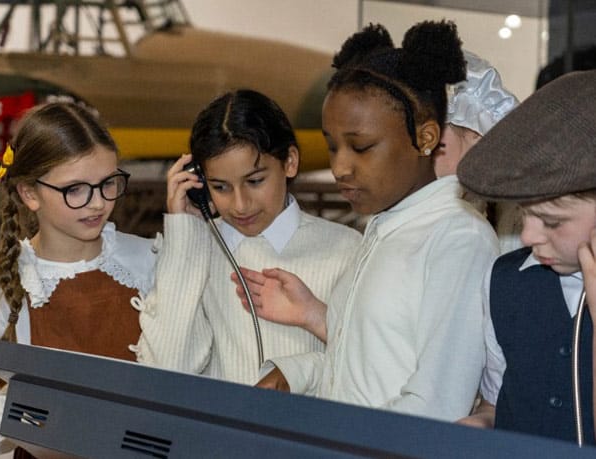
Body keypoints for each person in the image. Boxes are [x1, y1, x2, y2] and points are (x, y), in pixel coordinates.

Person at [233, 21, 499, 422]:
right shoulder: (384, 227)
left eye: (361, 148)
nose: (340, 168)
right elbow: (364, 371)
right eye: (332, 146)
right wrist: (297, 373)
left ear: (426, 138)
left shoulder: (458, 238)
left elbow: (436, 407)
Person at [133, 89, 361, 385]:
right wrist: (184, 235)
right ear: (199, 182)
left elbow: (370, 368)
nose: (240, 205)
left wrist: (300, 372)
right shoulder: (192, 250)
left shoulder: (347, 249)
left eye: (255, 181)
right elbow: (166, 371)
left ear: (290, 161)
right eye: (220, 187)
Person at [0, 102, 157, 457]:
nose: (97, 203)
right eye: (75, 189)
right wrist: (39, 407)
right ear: (29, 193)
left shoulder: (147, 262)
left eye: (108, 183)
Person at [456, 69, 596, 443]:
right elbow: (498, 401)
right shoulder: (505, 280)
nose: (530, 235)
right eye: (523, 214)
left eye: (553, 222)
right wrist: (483, 425)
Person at [433, 50, 522, 254]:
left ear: (476, 136)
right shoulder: (439, 204)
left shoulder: (517, 221)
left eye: (439, 146)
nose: (426, 157)